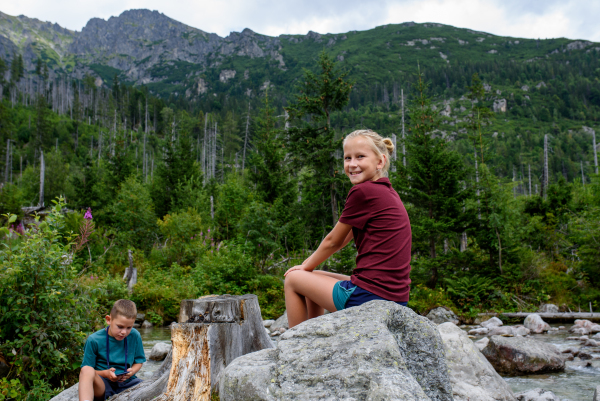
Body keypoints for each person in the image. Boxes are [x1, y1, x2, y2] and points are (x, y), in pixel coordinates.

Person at [284, 129, 411, 328]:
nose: (352, 164)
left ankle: (293, 349)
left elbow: (333, 241)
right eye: (347, 158)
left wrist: (305, 266)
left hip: (370, 296)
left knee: (293, 279)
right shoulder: (386, 191)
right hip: (394, 296)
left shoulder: (363, 191)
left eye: (360, 157)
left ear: (380, 162)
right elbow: (345, 238)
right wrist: (308, 268)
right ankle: (310, 339)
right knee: (310, 276)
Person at [78, 299, 146, 401]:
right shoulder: (94, 340)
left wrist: (132, 372)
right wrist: (106, 374)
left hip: (128, 382)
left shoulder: (135, 335)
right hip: (103, 384)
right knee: (86, 369)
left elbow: (139, 362)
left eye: (129, 327)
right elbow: (87, 372)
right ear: (109, 320)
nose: (124, 332)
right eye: (120, 327)